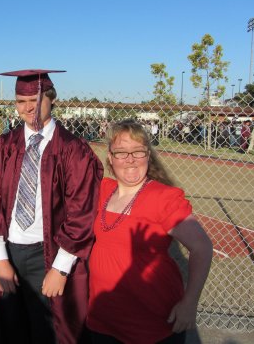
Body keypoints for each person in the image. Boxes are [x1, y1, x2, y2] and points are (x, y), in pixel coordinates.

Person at [0, 69, 104, 343]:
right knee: (10, 331)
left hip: (48, 255)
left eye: (34, 100)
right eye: (20, 101)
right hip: (9, 252)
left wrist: (61, 268)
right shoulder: (5, 145)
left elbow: (81, 209)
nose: (28, 107)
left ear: (50, 99)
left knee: (47, 333)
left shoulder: (73, 149)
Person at [87, 120, 213, 344]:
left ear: (148, 155)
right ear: (110, 157)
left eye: (138, 151)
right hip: (103, 319)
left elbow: (201, 247)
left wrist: (190, 303)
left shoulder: (163, 197)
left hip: (150, 324)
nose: (130, 159)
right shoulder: (103, 189)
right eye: (121, 152)